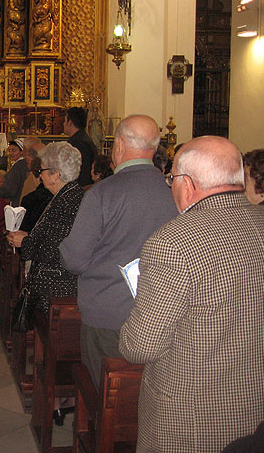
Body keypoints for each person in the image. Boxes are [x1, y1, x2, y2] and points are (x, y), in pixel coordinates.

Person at [119, 136, 264, 453]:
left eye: (171, 178)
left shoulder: (173, 243)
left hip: (193, 418)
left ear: (186, 184)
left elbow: (140, 347)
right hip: (255, 408)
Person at [59, 114, 177, 387]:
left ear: (120, 145)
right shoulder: (174, 191)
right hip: (161, 314)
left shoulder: (102, 193)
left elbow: (74, 259)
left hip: (108, 315)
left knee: (106, 396)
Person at [7, 141, 84, 426]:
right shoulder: (68, 195)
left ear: (55, 173)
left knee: (53, 351)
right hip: (56, 286)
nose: (39, 176)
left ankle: (57, 396)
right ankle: (56, 396)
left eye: (42, 171)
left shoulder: (69, 201)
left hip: (57, 290)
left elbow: (57, 250)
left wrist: (23, 241)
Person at [63, 107, 98, 187]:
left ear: (70, 123)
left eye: (65, 121)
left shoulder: (79, 143)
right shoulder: (80, 139)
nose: (63, 124)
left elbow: (83, 172)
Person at [0, 138, 29, 206]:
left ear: (22, 152)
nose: (10, 153)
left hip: (18, 200)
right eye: (9, 150)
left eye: (14, 150)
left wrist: (4, 193)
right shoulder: (25, 163)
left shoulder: (18, 165)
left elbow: (10, 187)